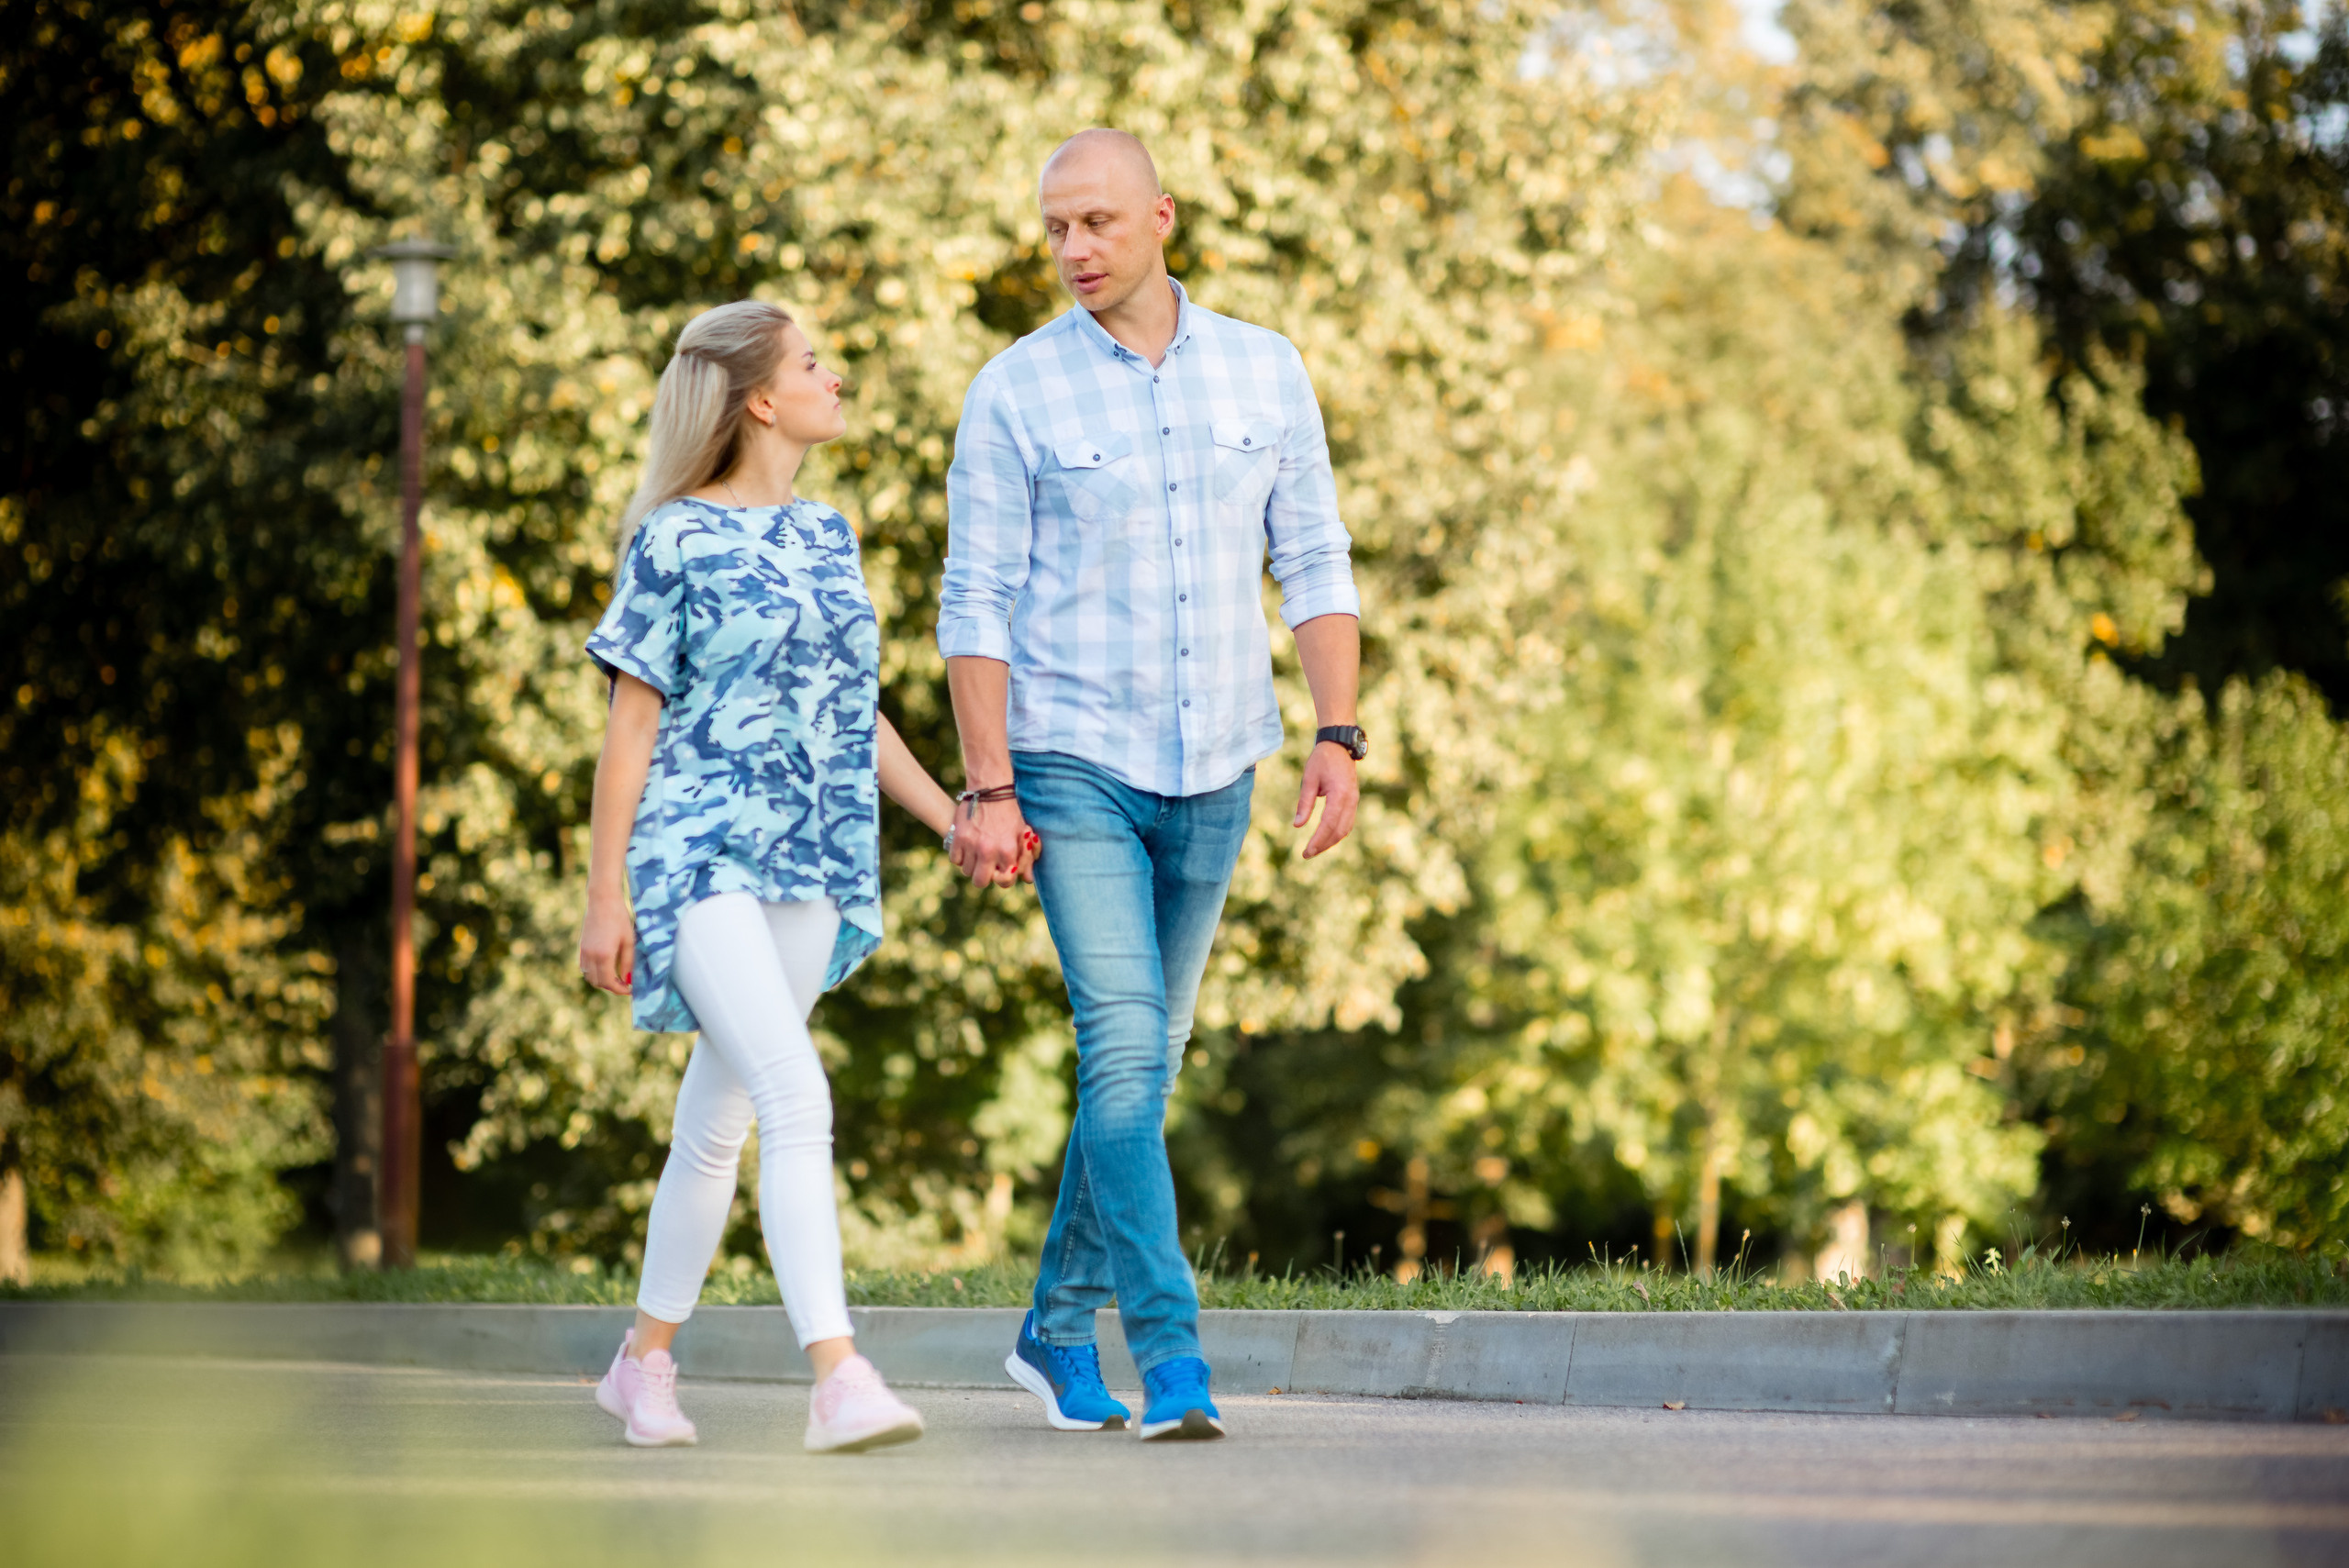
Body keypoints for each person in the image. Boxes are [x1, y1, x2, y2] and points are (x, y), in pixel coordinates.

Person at [940, 128, 1366, 1441]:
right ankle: (1172, 1356)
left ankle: (1054, 1330)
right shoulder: (1014, 392)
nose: (1075, 248)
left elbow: (1316, 557)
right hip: (1071, 763)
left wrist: (1337, 733)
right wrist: (990, 786)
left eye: (1099, 222)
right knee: (1122, 1045)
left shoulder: (1265, 367)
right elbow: (976, 605)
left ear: (1163, 218)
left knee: (1147, 1067)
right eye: (1056, 226)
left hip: (1220, 759)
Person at [578, 299, 1011, 1453]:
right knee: (794, 1093)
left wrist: (954, 815)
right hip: (698, 850)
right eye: (813, 361)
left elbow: (849, 712)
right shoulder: (670, 537)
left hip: (815, 855)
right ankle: (840, 1375)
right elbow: (630, 731)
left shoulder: (828, 534)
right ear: (761, 397)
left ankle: (642, 1363)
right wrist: (605, 895)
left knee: (715, 1123)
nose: (837, 375)